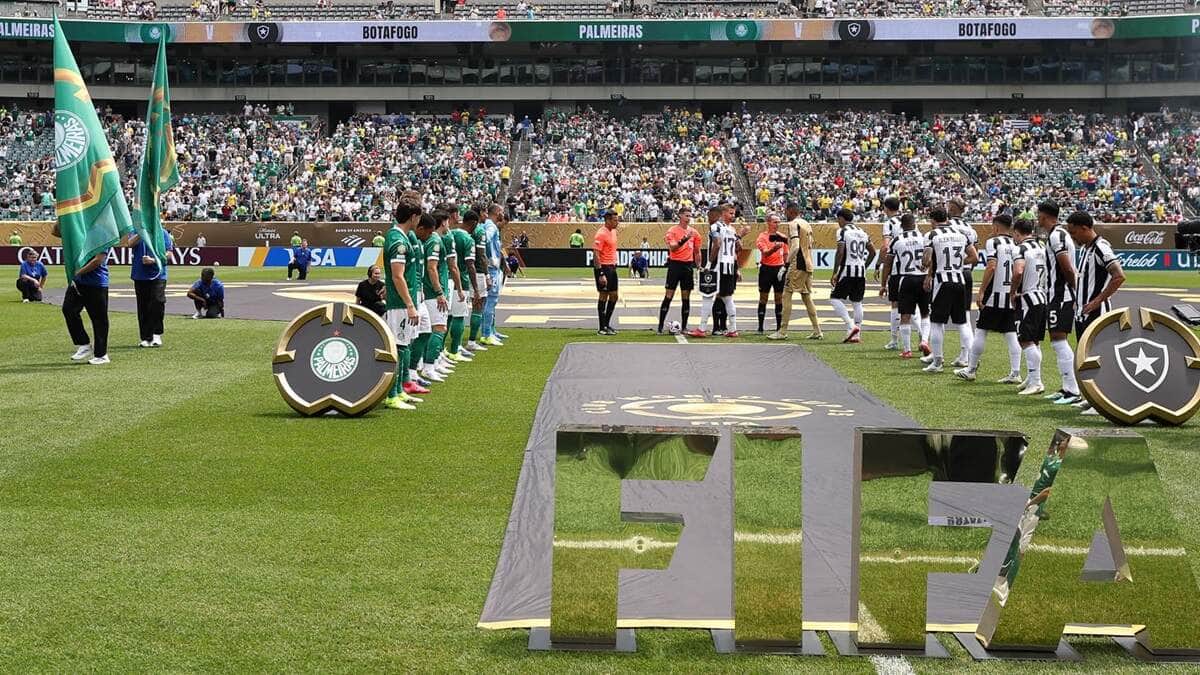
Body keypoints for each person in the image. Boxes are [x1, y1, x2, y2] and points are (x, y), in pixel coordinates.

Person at [954, 214, 1021, 383]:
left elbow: (991, 266)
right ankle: (1016, 372)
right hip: (1010, 294)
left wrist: (982, 290)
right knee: (1011, 333)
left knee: (981, 329)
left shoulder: (994, 242)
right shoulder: (1017, 244)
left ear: (996, 227)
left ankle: (971, 369)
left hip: (995, 295)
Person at [921, 208, 978, 373]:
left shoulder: (932, 235)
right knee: (962, 323)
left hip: (942, 281)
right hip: (959, 280)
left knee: (936, 322)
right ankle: (972, 360)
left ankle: (937, 362)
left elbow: (925, 261)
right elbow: (974, 257)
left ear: (933, 220)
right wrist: (958, 264)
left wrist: (928, 263)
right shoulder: (961, 233)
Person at [1037, 202, 1083, 405]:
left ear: (1045, 216)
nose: (1037, 219)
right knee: (1057, 339)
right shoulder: (1058, 235)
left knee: (1059, 339)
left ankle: (1072, 390)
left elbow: (1066, 266)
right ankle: (1066, 387)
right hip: (1057, 294)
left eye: (1039, 215)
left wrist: (1074, 292)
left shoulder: (1057, 236)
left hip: (1061, 294)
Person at [381, 198, 424, 411]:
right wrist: (409, 304)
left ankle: (398, 391)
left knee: (405, 345)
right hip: (399, 304)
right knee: (398, 347)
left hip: (402, 302)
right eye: (418, 217)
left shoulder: (400, 236)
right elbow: (398, 276)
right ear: (413, 217)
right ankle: (391, 394)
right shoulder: (398, 240)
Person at [1068, 210, 1126, 340]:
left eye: (1073, 233)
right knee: (1083, 357)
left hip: (1096, 314)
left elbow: (1119, 276)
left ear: (1084, 228)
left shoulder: (1101, 247)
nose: (1072, 237)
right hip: (1082, 313)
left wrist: (1097, 301)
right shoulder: (1085, 248)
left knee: (1096, 356)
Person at [690, 204, 746, 338]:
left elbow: (717, 243)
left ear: (719, 214)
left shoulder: (716, 227)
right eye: (730, 213)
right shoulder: (732, 229)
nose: (732, 216)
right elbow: (738, 247)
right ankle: (733, 329)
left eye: (733, 214)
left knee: (707, 296)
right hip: (729, 267)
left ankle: (702, 328)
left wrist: (709, 263)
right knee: (728, 298)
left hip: (717, 267)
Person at [1011, 218, 1051, 396]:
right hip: (1042, 296)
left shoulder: (1020, 248)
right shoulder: (1041, 246)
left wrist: (1012, 292)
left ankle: (1036, 381)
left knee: (1025, 339)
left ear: (1017, 233)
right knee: (1034, 340)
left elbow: (1018, 271)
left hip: (1028, 297)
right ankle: (1032, 377)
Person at [59, 232, 111, 365]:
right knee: (69, 310)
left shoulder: (101, 233)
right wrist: (60, 213)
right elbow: (56, 231)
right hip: (78, 281)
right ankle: (83, 344)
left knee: (99, 319)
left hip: (96, 283)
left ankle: (101, 355)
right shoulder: (77, 227)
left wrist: (78, 272)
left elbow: (98, 260)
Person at [772, 202, 821, 341]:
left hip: (798, 264)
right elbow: (810, 244)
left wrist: (786, 265)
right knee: (806, 297)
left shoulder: (793, 224)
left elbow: (795, 246)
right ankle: (817, 330)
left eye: (785, 211)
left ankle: (782, 331)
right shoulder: (806, 223)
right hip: (808, 263)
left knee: (786, 294)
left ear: (790, 211)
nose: (784, 214)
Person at [881, 214, 928, 359]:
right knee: (925, 313)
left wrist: (884, 284)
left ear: (901, 226)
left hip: (906, 278)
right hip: (923, 277)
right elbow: (931, 257)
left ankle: (907, 349)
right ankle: (925, 340)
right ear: (915, 224)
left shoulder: (897, 240)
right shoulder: (924, 238)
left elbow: (888, 263)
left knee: (905, 315)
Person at [414, 211, 453, 385]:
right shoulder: (435, 241)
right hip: (432, 293)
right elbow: (432, 268)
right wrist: (439, 292)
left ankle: (431, 363)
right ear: (442, 223)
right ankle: (429, 367)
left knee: (429, 330)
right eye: (447, 221)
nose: (449, 224)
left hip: (428, 292)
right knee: (438, 328)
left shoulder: (429, 240)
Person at [829, 209, 874, 344]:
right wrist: (864, 266)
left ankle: (850, 325)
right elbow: (872, 252)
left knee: (834, 298)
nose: (838, 222)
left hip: (847, 269)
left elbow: (840, 252)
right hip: (860, 271)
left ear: (842, 218)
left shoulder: (843, 231)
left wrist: (835, 271)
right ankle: (856, 334)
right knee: (857, 302)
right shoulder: (862, 232)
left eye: (838, 219)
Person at [947, 197, 980, 367]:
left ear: (952, 209)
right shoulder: (970, 229)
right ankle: (965, 354)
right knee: (964, 315)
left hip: (950, 273)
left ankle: (938, 355)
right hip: (966, 273)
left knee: (941, 317)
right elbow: (976, 254)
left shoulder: (948, 226)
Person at [657, 206, 701, 335]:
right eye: (686, 215)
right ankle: (660, 326)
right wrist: (684, 239)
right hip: (675, 265)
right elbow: (673, 248)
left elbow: (697, 251)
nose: (688, 218)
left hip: (687, 266)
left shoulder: (694, 232)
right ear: (680, 216)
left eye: (690, 216)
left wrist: (699, 266)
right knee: (668, 295)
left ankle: (685, 326)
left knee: (686, 297)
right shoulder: (672, 231)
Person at [130, 229, 173, 347]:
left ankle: (156, 333)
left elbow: (169, 253)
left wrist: (154, 260)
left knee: (157, 301)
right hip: (140, 274)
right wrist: (141, 232)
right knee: (143, 306)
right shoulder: (135, 231)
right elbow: (130, 244)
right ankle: (146, 337)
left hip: (158, 273)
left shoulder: (162, 232)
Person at [445, 207, 477, 363]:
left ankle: (441, 351)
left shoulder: (450, 233)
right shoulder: (468, 239)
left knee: (446, 318)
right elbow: (470, 264)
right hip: (460, 280)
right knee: (459, 316)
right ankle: (455, 349)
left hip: (446, 279)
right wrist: (475, 287)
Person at [876, 196, 905, 349]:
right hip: (912, 266)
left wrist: (879, 264)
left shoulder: (889, 223)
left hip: (896, 267)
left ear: (886, 208)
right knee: (915, 305)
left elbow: (886, 247)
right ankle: (923, 339)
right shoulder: (907, 221)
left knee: (895, 304)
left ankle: (894, 340)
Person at [479, 204, 507, 346]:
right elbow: (485, 240)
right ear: (496, 212)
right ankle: (486, 334)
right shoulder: (491, 227)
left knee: (490, 301)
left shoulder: (488, 225)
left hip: (491, 266)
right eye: (501, 211)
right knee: (491, 301)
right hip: (492, 267)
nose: (503, 214)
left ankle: (491, 331)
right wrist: (490, 259)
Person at [755, 213, 787, 334]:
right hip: (766, 269)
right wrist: (774, 248)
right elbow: (765, 253)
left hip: (779, 269)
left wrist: (786, 265)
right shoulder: (762, 237)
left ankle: (779, 327)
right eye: (775, 222)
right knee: (763, 297)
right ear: (768, 223)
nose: (777, 224)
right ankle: (760, 327)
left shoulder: (782, 237)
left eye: (779, 222)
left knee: (779, 298)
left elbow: (785, 253)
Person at [466, 210, 490, 353]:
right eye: (485, 212)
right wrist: (487, 274)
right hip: (478, 271)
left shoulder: (458, 232)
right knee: (478, 305)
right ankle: (471, 341)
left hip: (466, 271)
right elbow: (481, 255)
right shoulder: (480, 231)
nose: (486, 215)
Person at [593, 210, 620, 335]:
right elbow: (596, 254)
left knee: (614, 295)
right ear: (608, 220)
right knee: (603, 295)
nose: (617, 222)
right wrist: (600, 273)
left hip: (612, 266)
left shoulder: (613, 232)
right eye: (615, 220)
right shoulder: (601, 234)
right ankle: (601, 327)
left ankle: (607, 324)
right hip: (604, 267)